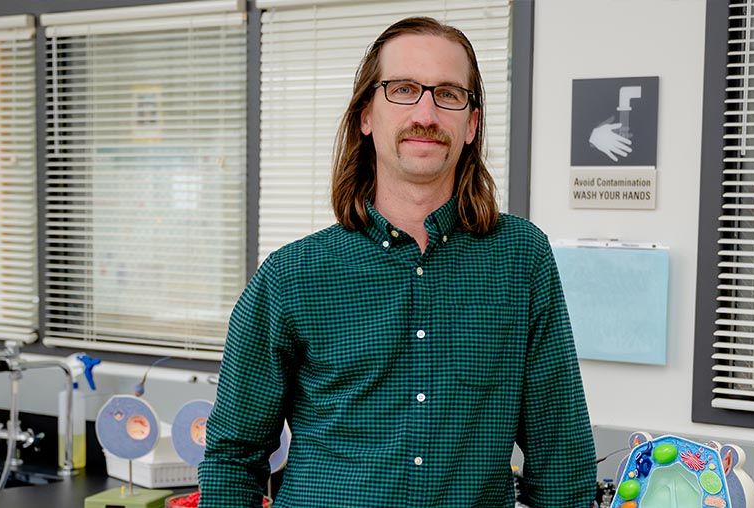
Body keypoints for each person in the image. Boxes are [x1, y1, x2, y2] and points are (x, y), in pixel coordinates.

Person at [199, 16, 595, 508]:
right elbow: (232, 460)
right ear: (367, 115)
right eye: (404, 89)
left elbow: (563, 463)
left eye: (449, 94)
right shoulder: (292, 276)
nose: (426, 112)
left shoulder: (521, 260)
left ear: (471, 124)